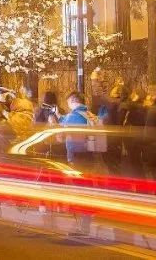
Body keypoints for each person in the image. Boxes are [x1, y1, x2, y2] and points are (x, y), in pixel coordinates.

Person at [60, 93, 96, 237]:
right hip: (89, 156)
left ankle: (83, 227)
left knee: (80, 193)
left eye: (69, 102)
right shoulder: (89, 114)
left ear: (74, 101)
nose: (68, 105)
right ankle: (84, 225)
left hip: (77, 157)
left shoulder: (73, 116)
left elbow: (61, 133)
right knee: (86, 191)